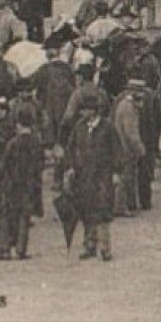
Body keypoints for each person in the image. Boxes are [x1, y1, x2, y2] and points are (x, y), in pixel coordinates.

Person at [64, 96, 120, 261]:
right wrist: (71, 167)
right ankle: (89, 245)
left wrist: (116, 172)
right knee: (86, 210)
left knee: (102, 211)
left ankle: (105, 248)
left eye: (85, 110)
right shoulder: (79, 127)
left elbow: (116, 150)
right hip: (83, 176)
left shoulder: (107, 127)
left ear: (94, 111)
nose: (82, 113)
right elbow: (71, 148)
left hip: (103, 175)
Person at [0, 108, 43, 261]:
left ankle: (4, 249)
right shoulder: (36, 142)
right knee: (24, 218)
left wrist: (0, 183)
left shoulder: (12, 143)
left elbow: (3, 166)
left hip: (12, 184)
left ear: (18, 124)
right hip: (29, 184)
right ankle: (21, 249)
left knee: (6, 217)